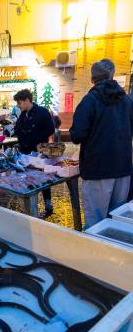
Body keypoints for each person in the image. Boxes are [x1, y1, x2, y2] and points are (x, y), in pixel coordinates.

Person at [70, 59, 133, 229]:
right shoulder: (127, 101)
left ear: (92, 78)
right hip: (123, 169)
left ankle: (96, 253)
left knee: (95, 222)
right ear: (112, 75)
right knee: (118, 219)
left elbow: (77, 135)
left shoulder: (89, 101)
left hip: (98, 170)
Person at [13, 89, 55, 218]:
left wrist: (40, 142)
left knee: (43, 178)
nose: (18, 106)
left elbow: (50, 129)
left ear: (27, 100)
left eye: (19, 103)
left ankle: (48, 204)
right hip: (25, 152)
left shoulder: (42, 112)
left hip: (39, 153)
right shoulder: (23, 114)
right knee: (28, 178)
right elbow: (19, 129)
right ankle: (31, 205)